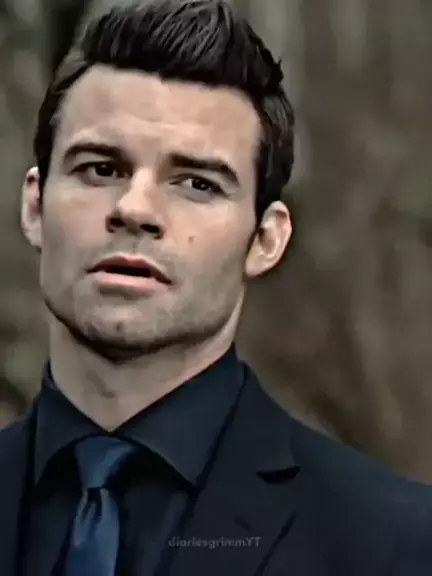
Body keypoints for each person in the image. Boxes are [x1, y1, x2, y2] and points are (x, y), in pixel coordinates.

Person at [0, 0, 431, 575]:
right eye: (101, 169)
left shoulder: (396, 544)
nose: (135, 208)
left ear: (265, 239)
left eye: (197, 183)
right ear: (35, 207)